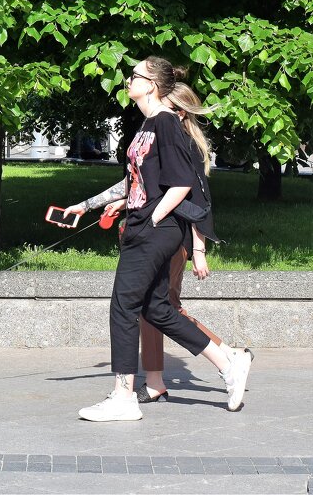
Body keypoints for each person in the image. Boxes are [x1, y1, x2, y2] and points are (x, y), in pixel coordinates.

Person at [65, 56, 251, 421]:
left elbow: (182, 183)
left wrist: (152, 217)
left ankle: (123, 397)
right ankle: (228, 360)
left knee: (123, 306)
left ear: (152, 84)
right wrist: (88, 206)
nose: (128, 80)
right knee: (156, 308)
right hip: (146, 226)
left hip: (154, 230)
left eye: (135, 76)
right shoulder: (148, 125)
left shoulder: (165, 122)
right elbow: (141, 182)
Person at [134, 83, 253, 402]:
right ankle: (221, 357)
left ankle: (226, 357)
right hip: (162, 235)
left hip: (172, 237)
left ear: (179, 112)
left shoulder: (182, 143)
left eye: (165, 105)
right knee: (157, 307)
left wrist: (199, 250)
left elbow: (198, 200)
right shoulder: (167, 137)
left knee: (158, 307)